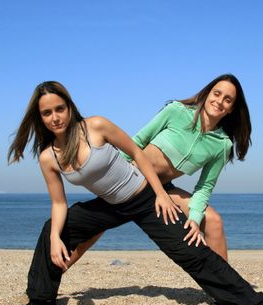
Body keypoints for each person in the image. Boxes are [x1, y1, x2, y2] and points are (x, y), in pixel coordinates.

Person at [8, 81, 263, 305]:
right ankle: (41, 299)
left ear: (69, 107)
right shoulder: (47, 158)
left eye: (59, 109)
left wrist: (160, 194)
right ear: (39, 117)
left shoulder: (96, 125)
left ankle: (247, 301)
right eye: (47, 112)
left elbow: (136, 151)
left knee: (190, 252)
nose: (55, 117)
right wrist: (55, 237)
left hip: (145, 197)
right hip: (109, 207)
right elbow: (58, 204)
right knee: (52, 230)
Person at [68, 74, 250, 264]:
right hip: (130, 179)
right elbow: (136, 143)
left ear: (231, 109)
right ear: (207, 94)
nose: (219, 101)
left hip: (162, 189)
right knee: (93, 230)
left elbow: (204, 188)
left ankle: (227, 289)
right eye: (217, 94)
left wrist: (194, 220)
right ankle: (58, 270)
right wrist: (112, 175)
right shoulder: (176, 111)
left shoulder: (222, 145)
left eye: (227, 100)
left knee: (214, 222)